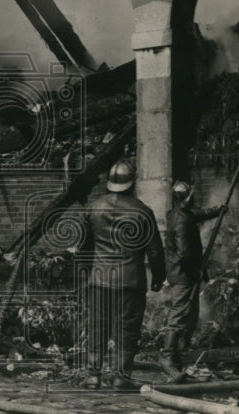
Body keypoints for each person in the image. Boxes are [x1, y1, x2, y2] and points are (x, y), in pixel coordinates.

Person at [79, 160, 166, 391]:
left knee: (97, 326)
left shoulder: (94, 207)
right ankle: (120, 377)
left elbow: (84, 248)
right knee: (127, 328)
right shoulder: (143, 211)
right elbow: (155, 250)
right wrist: (158, 276)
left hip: (99, 279)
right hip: (130, 280)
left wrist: (88, 272)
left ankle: (92, 376)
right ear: (132, 182)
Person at [159, 181, 226, 383]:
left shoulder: (177, 213)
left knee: (190, 313)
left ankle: (180, 353)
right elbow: (184, 253)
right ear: (188, 197)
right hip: (184, 274)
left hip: (182, 273)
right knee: (180, 313)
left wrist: (217, 210)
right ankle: (168, 356)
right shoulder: (181, 221)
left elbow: (195, 214)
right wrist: (194, 271)